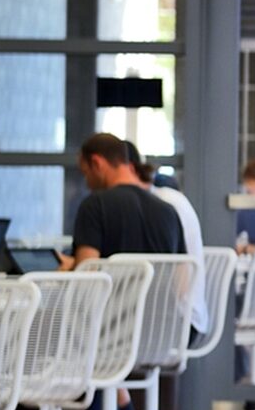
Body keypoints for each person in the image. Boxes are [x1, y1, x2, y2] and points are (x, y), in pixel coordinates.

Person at [124, 142, 208, 336]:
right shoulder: (166, 198)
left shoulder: (163, 205)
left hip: (177, 320)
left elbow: (178, 284)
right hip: (181, 315)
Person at [65, 133, 185, 267]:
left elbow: (86, 277)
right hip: (159, 289)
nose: (87, 184)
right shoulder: (169, 211)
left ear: (96, 163)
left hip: (113, 289)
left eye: (86, 173)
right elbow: (184, 282)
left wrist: (70, 269)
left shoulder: (94, 205)